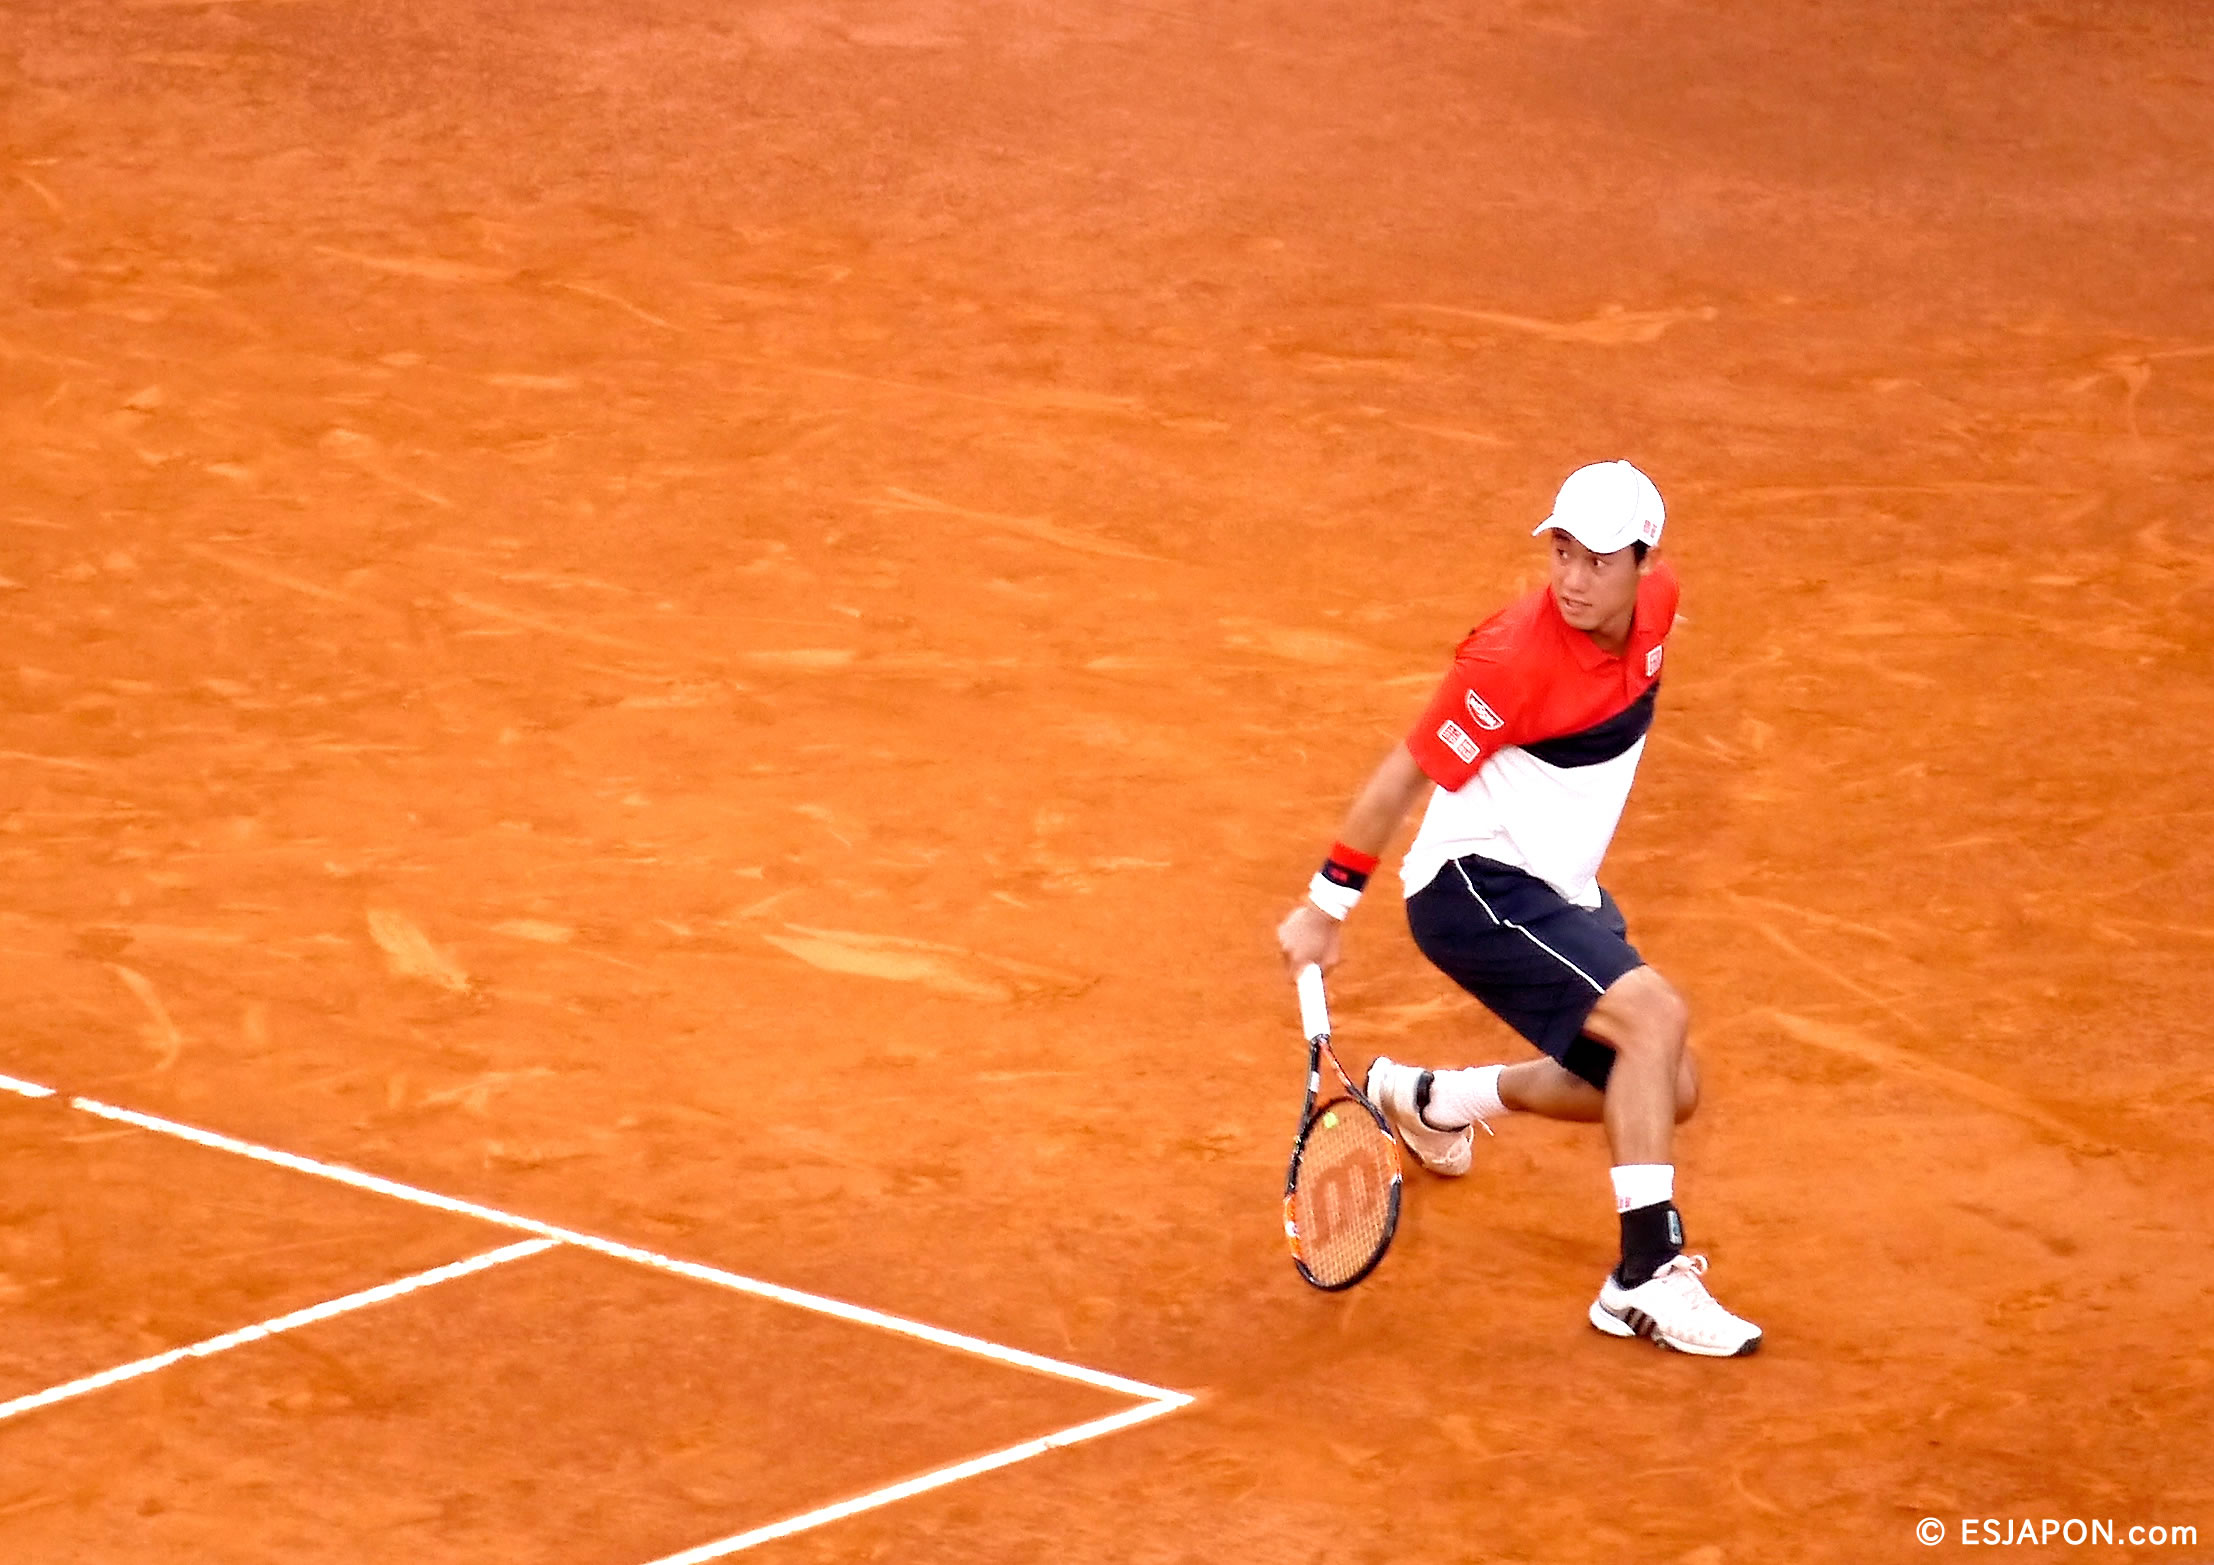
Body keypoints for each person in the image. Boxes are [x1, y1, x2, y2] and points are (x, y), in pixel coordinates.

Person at [1275, 460, 1761, 1357]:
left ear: (1643, 565)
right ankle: (1643, 1276)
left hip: (1558, 888)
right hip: (1474, 887)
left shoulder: (1660, 609)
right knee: (1653, 1016)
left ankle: (1427, 1099)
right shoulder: (1507, 660)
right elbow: (1399, 778)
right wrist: (1324, 905)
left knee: (1663, 1084)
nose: (1573, 579)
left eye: (1597, 561)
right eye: (1562, 552)